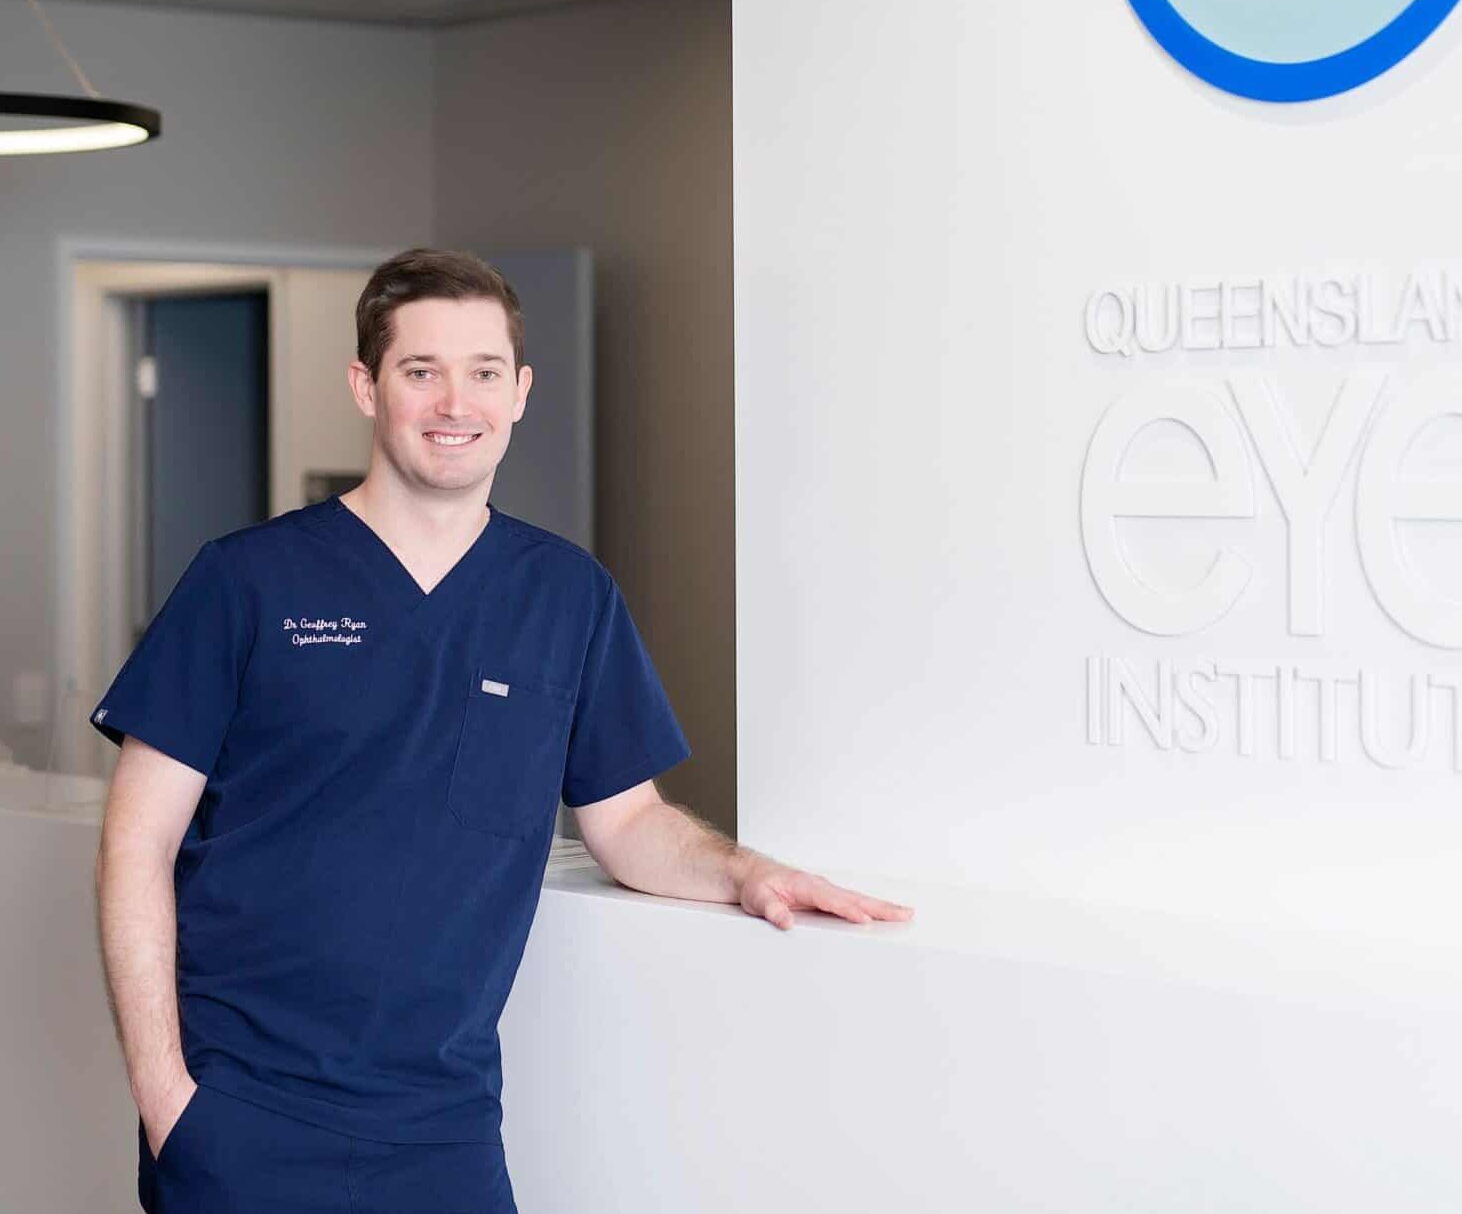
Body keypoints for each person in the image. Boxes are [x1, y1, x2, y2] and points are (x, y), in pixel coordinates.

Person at [89, 246, 912, 1213]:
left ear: (519, 392)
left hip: (447, 1129)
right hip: (242, 1115)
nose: (455, 402)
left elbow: (629, 821)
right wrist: (166, 1098)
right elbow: (136, 842)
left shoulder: (568, 597)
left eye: (483, 372)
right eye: (420, 370)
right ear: (366, 386)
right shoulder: (244, 582)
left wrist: (745, 872)